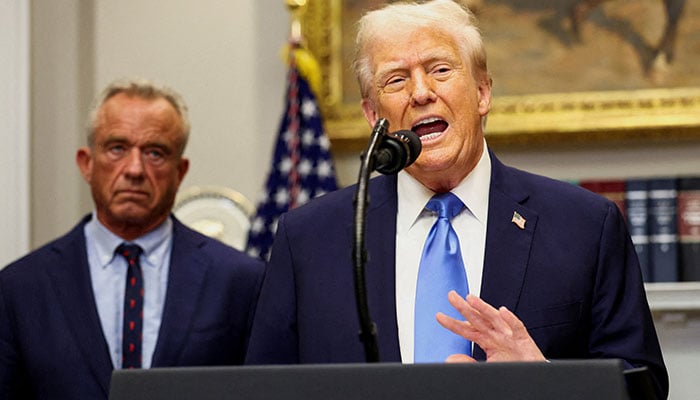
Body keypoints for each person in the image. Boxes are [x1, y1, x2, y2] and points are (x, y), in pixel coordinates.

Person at [245, 0, 668, 398]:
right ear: (373, 116)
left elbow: (644, 385)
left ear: (483, 93)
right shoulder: (309, 239)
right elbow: (262, 390)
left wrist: (547, 379)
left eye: (440, 70)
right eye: (396, 79)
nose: (421, 92)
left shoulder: (584, 226)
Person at [0, 78, 264, 399]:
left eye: (155, 153)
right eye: (117, 149)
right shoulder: (21, 287)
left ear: (180, 172)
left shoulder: (240, 281)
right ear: (86, 163)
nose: (135, 169)